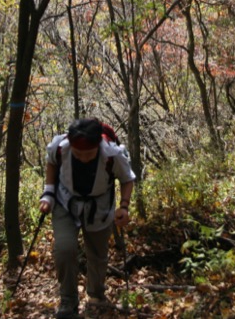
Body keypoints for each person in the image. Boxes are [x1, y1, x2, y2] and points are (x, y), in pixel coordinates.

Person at [39, 118, 136, 319]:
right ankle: (68, 302)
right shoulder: (61, 147)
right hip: (65, 203)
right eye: (78, 153)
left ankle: (96, 294)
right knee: (64, 250)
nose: (83, 158)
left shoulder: (112, 154)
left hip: (99, 207)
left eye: (89, 154)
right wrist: (48, 194)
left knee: (98, 255)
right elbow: (51, 163)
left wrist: (124, 207)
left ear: (98, 146)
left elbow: (127, 179)